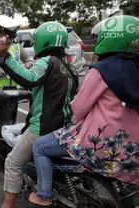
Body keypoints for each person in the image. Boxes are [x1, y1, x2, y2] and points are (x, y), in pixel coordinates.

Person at [29, 15, 139, 207]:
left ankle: (44, 195)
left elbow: (78, 108)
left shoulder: (101, 70)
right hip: (132, 149)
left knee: (39, 146)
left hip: (102, 142)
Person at [0, 21, 79, 208]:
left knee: (13, 162)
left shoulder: (46, 61)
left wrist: (3, 55)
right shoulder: (67, 65)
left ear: (42, 41)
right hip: (63, 124)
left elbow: (29, 78)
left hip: (42, 125)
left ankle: (6, 206)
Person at [0, 15, 34, 114]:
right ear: (0, 33)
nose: (11, 41)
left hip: (12, 93)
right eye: (9, 37)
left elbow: (27, 56)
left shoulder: (15, 43)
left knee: (10, 124)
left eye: (12, 37)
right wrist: (8, 70)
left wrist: (30, 62)